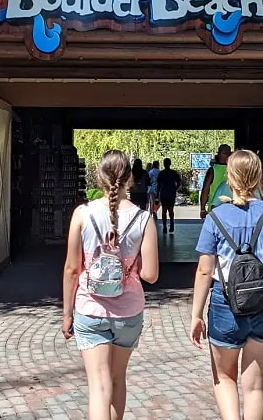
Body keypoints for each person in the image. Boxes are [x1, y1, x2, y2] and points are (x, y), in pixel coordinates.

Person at [189, 149, 263, 420]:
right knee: (255, 387)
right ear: (258, 177)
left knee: (225, 379)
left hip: (225, 307)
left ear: (230, 177)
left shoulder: (216, 218)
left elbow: (205, 271)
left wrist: (196, 314)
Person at [62, 150, 160, 420]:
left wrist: (67, 314)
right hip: (128, 312)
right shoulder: (144, 219)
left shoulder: (82, 214)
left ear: (99, 178)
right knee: (117, 380)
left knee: (99, 388)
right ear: (131, 178)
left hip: (89, 309)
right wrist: (127, 266)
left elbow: (72, 269)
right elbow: (151, 275)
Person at [199, 144, 231, 219]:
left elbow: (205, 190)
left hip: (214, 210)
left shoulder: (212, 170)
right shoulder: (236, 170)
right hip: (231, 210)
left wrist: (203, 209)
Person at [156, 158, 181, 234]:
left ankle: (164, 226)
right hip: (171, 193)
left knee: (164, 210)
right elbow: (179, 181)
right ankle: (171, 223)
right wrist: (175, 188)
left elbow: (158, 185)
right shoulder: (173, 173)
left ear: (164, 164)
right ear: (170, 164)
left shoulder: (161, 173)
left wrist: (157, 194)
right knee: (171, 210)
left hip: (164, 193)